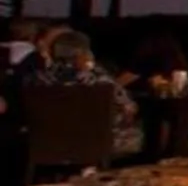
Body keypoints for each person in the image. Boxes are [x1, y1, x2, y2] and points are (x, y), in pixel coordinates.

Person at [27, 28, 143, 157]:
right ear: (84, 54)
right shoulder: (100, 80)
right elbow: (129, 107)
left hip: (45, 143)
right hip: (93, 144)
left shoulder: (37, 79)